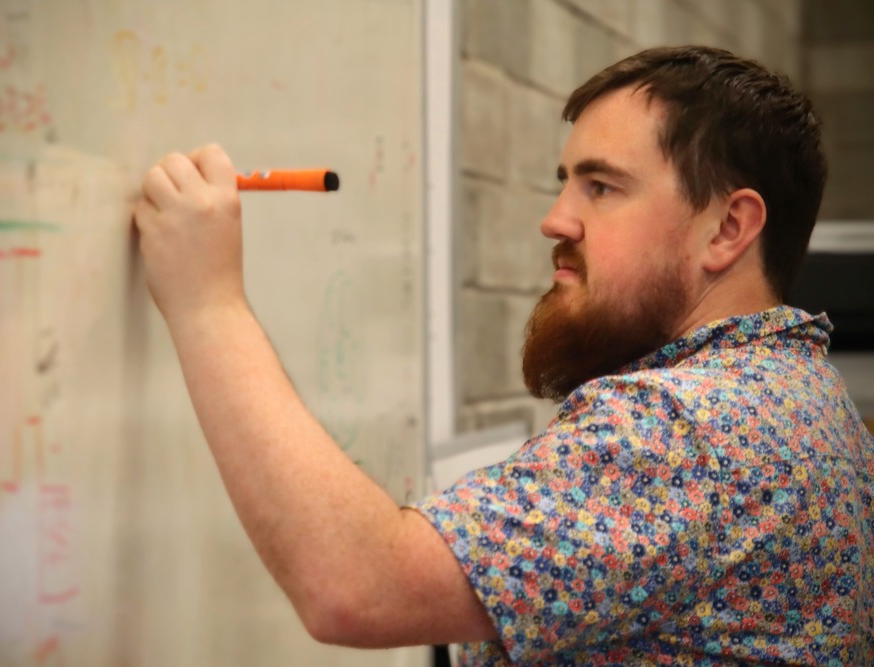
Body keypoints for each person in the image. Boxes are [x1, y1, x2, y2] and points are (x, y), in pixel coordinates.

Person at [133, 45, 874, 666]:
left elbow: (358, 585)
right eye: (566, 184)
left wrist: (207, 302)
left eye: (602, 187)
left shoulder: (689, 427)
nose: (556, 219)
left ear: (728, 229)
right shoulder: (810, 396)